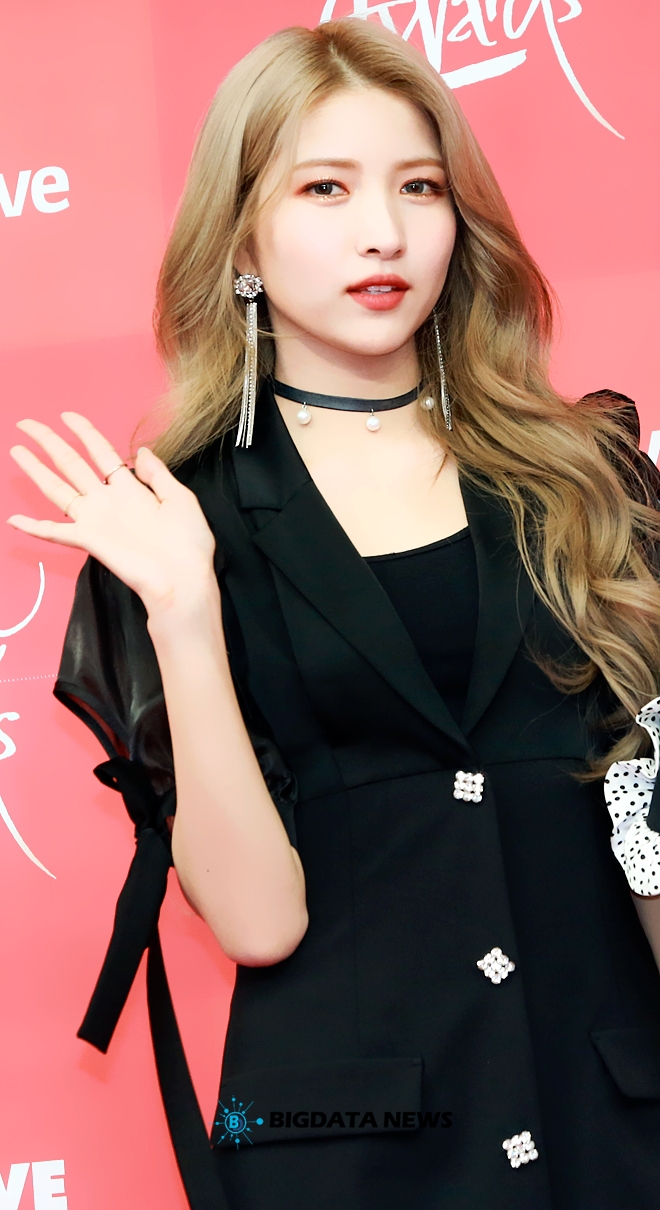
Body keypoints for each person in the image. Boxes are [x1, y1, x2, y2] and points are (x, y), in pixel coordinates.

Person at [7, 19, 660, 1210]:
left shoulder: (587, 474)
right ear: (242, 236)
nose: (383, 232)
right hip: (348, 1153)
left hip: (609, 1120)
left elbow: (647, 819)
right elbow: (258, 922)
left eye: (420, 187)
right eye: (325, 188)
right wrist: (184, 615)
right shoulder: (177, 519)